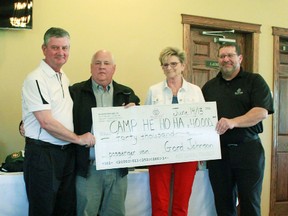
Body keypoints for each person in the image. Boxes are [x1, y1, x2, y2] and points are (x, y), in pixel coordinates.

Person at [21, 27, 95, 216]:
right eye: (55, 47)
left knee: (65, 210)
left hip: (65, 154)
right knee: (43, 210)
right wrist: (78, 139)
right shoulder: (36, 79)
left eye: (65, 48)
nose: (61, 53)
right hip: (43, 156)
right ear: (44, 49)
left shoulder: (63, 77)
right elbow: (46, 122)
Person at [202, 42, 274, 216]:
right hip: (219, 155)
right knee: (223, 204)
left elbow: (261, 112)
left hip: (248, 151)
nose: (226, 59)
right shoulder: (209, 87)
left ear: (240, 58)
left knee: (250, 203)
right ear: (218, 60)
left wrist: (233, 122)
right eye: (222, 56)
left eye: (230, 55)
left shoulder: (254, 81)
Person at [69, 49, 140, 216]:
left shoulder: (127, 93)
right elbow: (59, 118)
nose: (102, 67)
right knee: (85, 212)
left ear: (114, 68)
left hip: (117, 169)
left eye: (106, 63)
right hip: (88, 169)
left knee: (115, 213)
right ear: (91, 67)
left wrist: (137, 110)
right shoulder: (75, 92)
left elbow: (140, 125)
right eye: (98, 63)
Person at [145, 47, 205, 216]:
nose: (169, 68)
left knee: (182, 201)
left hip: (188, 151)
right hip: (159, 151)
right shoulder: (153, 91)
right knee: (159, 201)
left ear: (183, 65)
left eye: (173, 64)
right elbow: (147, 122)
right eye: (165, 65)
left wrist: (202, 150)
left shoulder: (195, 91)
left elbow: (203, 123)